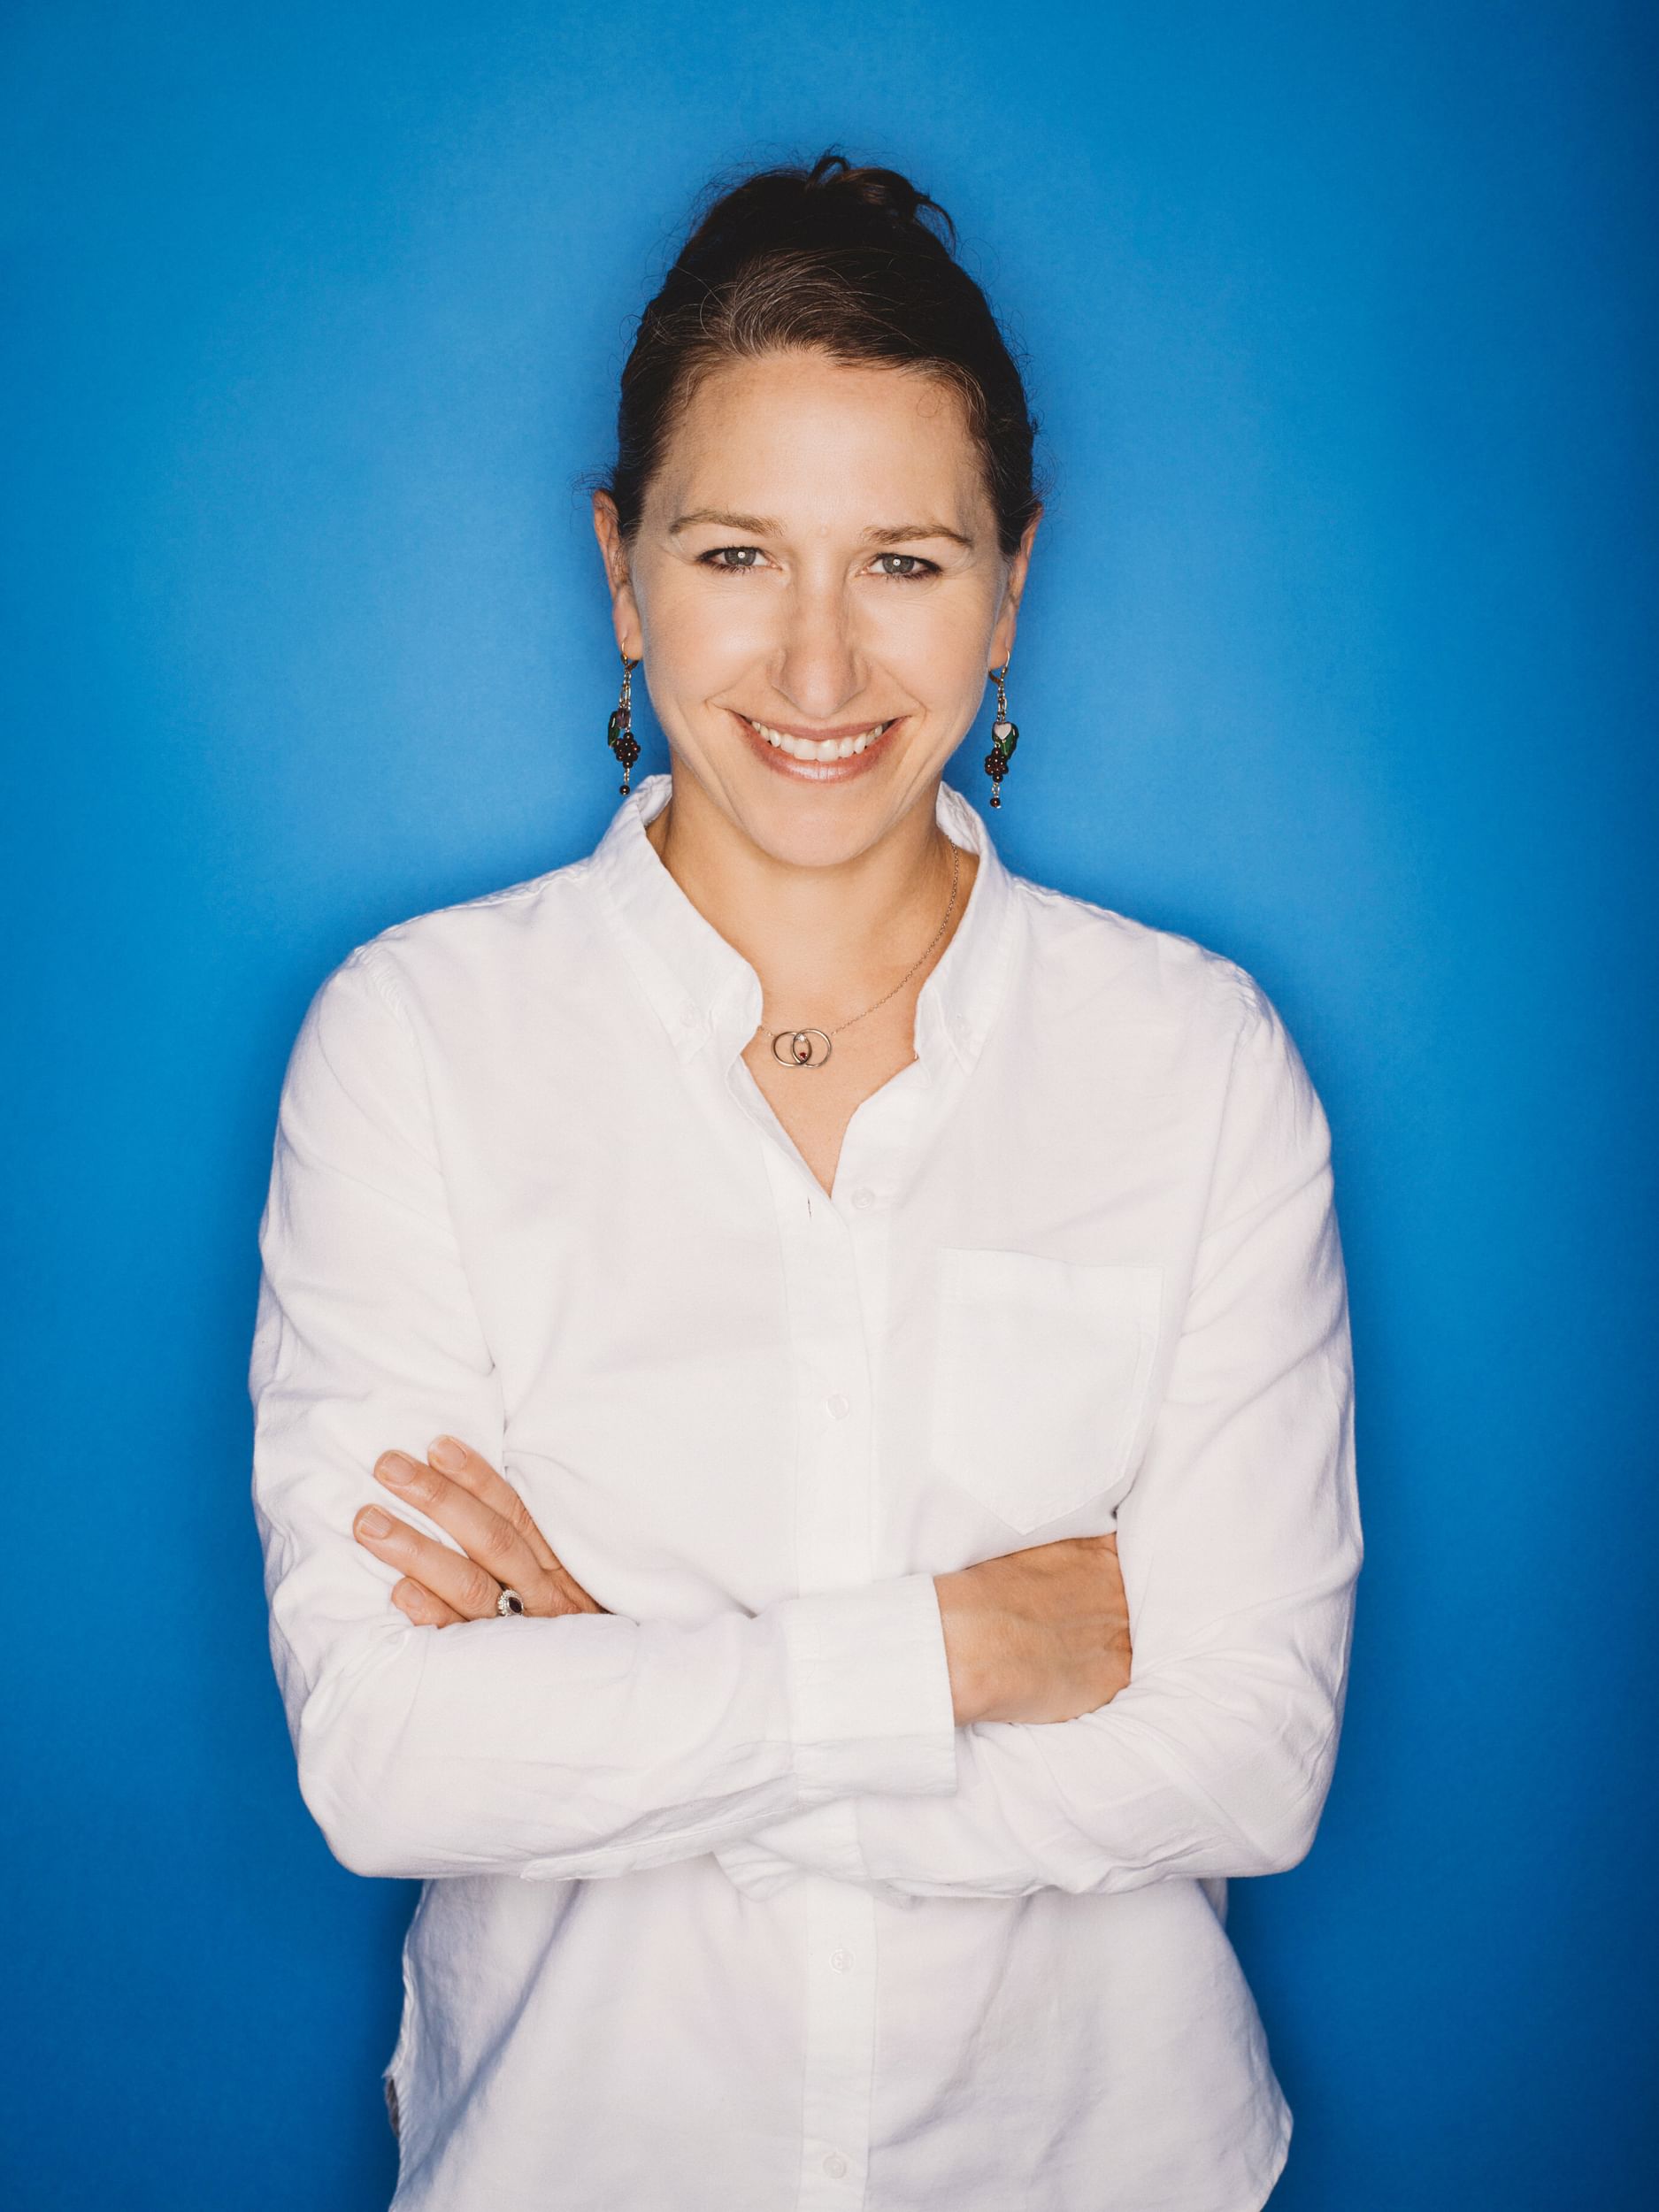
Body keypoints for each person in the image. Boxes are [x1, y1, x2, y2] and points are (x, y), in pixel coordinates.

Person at [248, 147, 1363, 2212]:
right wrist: (950, 1651)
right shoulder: (415, 1045)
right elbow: (389, 1758)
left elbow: (1249, 1758)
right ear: (620, 569)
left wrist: (624, 1680)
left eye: (905, 561)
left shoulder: (1194, 1066)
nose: (821, 667)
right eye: (738, 553)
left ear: (1011, 583)